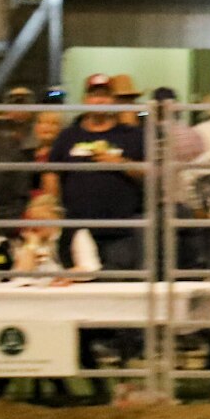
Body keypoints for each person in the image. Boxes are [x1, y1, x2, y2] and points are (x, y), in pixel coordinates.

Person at [55, 75, 149, 273]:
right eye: (94, 95)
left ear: (113, 100)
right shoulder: (68, 136)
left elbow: (149, 173)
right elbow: (52, 175)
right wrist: (55, 212)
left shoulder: (132, 136)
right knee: (77, 285)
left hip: (120, 231)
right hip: (76, 230)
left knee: (117, 284)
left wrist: (120, 163)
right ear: (85, 100)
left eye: (104, 96)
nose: (99, 101)